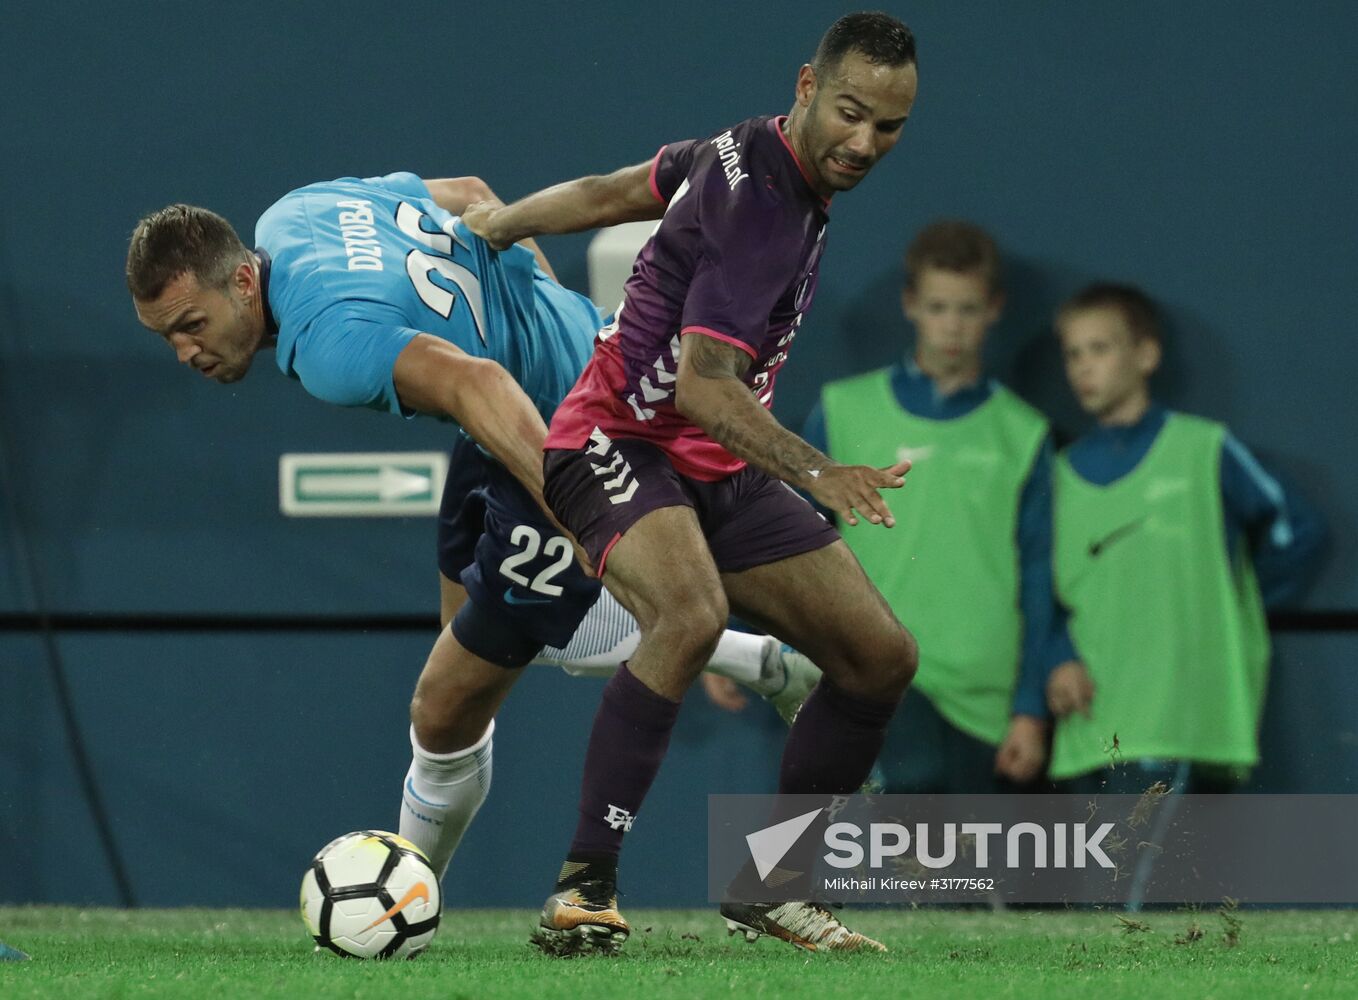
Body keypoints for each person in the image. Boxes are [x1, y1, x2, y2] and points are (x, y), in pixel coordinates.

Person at [124, 174, 819, 885]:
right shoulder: (295, 209)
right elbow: (469, 193)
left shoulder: (326, 341)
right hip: (520, 413)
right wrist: (546, 310)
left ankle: (408, 896)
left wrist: (585, 510)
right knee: (456, 685)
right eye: (167, 337)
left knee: (458, 692)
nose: (184, 352)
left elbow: (478, 384)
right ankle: (409, 894)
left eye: (191, 325)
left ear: (243, 281)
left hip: (558, 432)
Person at [465, 11, 920, 955]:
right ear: (807, 85)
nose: (865, 142)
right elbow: (710, 391)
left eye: (890, 126)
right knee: (688, 615)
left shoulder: (743, 147)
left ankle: (774, 888)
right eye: (850, 112)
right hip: (614, 443)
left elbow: (614, 191)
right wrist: (819, 471)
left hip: (714, 470)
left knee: (879, 658)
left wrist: (499, 224)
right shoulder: (766, 212)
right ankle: (582, 889)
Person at [802, 220, 1075, 792]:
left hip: (986, 701)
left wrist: (1030, 708)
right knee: (899, 868)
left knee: (968, 879)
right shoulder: (841, 412)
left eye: (968, 309)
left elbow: (1039, 576)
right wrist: (763, 647)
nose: (952, 327)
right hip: (876, 679)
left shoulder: (1022, 435)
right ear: (911, 304)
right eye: (938, 307)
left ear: (994, 308)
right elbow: (787, 548)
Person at [1048, 283, 1327, 797]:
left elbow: (1298, 531)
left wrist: (1230, 608)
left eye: (1100, 348)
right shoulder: (1058, 476)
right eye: (1073, 354)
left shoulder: (1204, 448)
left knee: (1152, 876)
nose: (1084, 366)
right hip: (1091, 723)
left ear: (1146, 354)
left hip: (1183, 719)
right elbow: (1045, 592)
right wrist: (1057, 656)